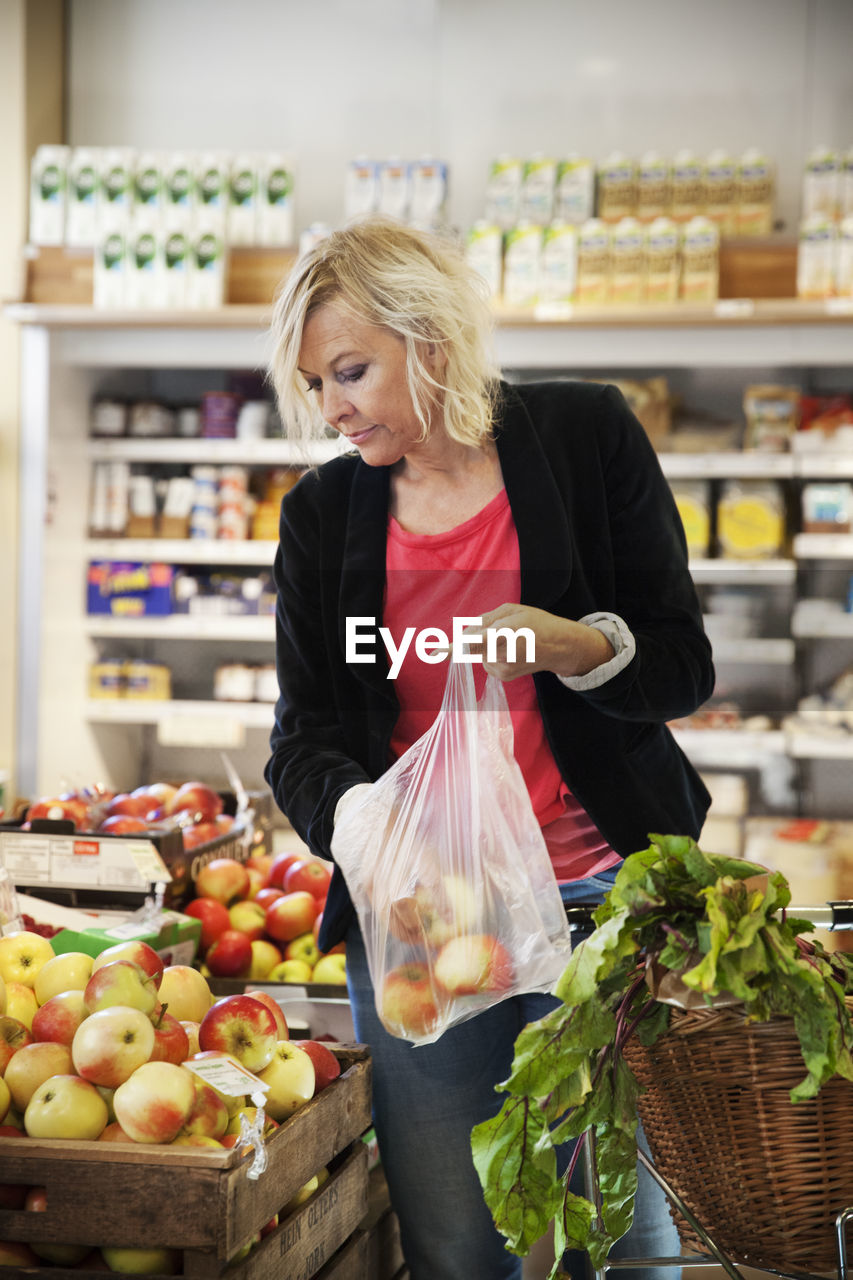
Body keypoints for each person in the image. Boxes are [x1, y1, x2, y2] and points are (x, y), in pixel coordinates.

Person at [264, 215, 715, 1280]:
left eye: (349, 372)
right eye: (315, 383)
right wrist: (362, 819)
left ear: (429, 339)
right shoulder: (323, 515)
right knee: (459, 1243)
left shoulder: (584, 435)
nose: (330, 409)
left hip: (603, 898)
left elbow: (683, 663)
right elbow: (306, 735)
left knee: (628, 1239)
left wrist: (578, 644)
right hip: (426, 919)